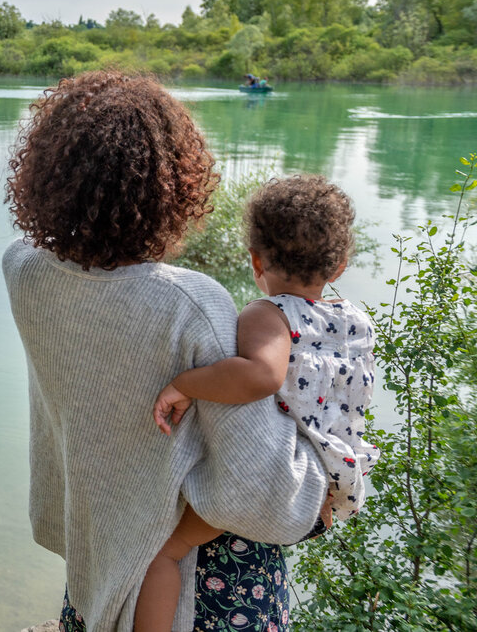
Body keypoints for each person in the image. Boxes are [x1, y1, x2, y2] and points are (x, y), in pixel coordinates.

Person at [2, 70, 328, 632]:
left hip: (100, 546)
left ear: (44, 174)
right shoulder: (190, 303)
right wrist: (321, 489)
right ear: (172, 184)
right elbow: (258, 487)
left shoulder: (22, 269)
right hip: (201, 578)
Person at [139, 175, 378, 632]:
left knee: (164, 554)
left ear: (255, 260)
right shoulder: (356, 323)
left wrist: (187, 383)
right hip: (330, 488)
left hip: (270, 487)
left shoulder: (269, 315)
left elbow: (262, 376)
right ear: (341, 265)